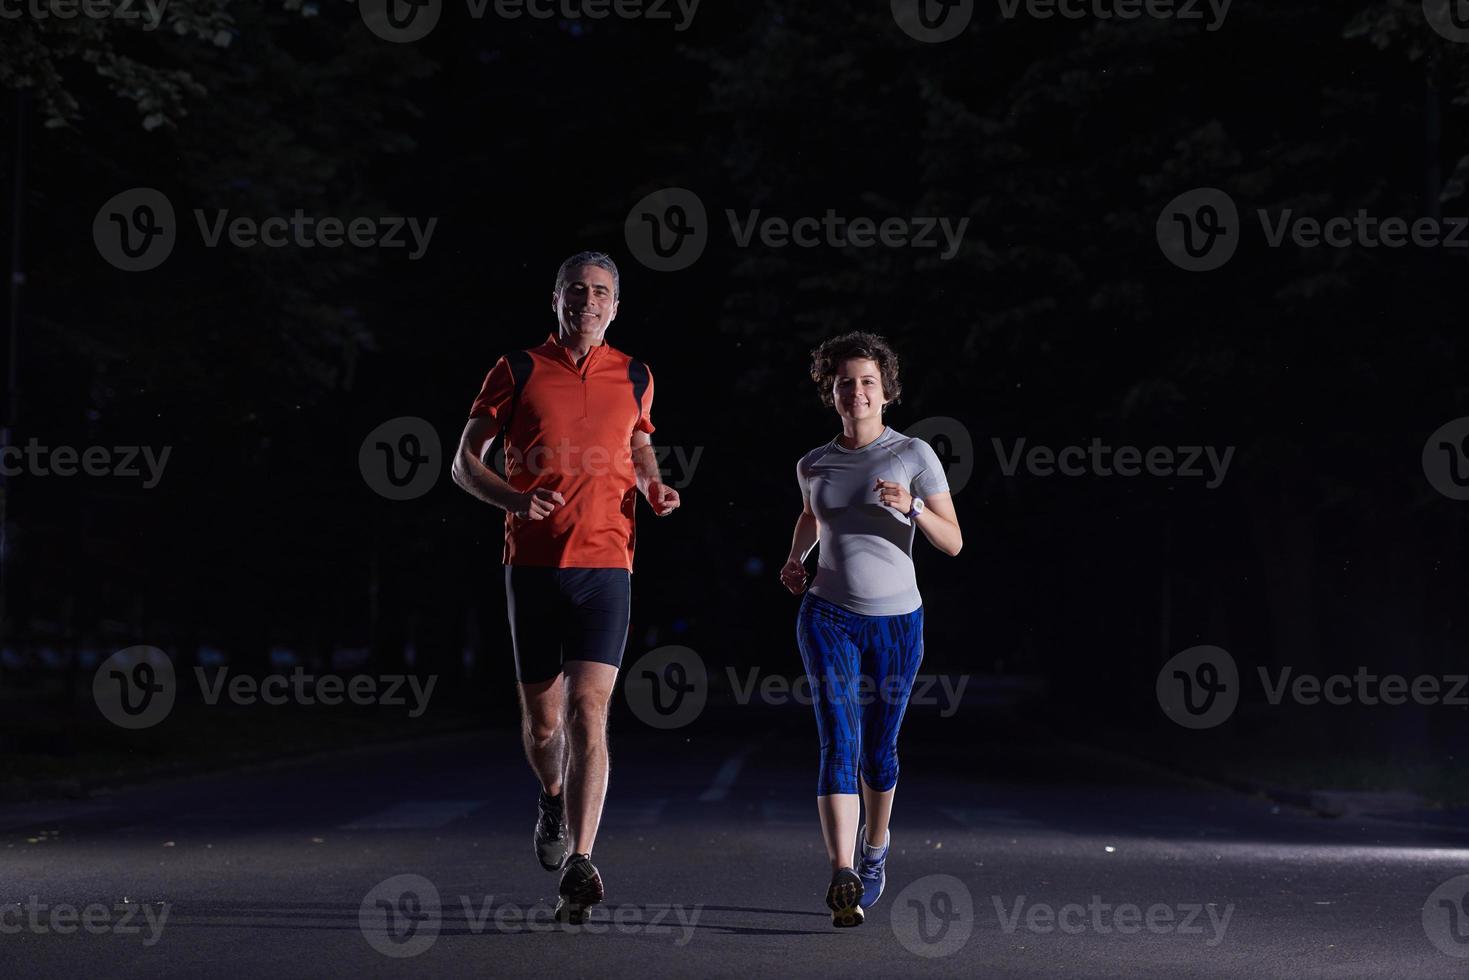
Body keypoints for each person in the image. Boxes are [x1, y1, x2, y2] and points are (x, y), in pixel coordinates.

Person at [450, 250, 680, 924]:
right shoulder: (516, 369)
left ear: (615, 305)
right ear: (556, 300)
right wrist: (514, 501)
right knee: (543, 721)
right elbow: (464, 464)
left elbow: (637, 444)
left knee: (589, 710)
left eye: (601, 292)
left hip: (609, 563)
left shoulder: (636, 374)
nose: (588, 301)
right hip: (532, 566)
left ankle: (580, 861)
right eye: (576, 290)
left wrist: (652, 483)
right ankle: (551, 795)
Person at [779, 331, 963, 928]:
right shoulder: (813, 462)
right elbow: (811, 514)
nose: (856, 392)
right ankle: (842, 873)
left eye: (867, 382)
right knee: (839, 739)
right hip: (827, 614)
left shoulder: (913, 455)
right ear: (830, 393)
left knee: (879, 751)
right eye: (844, 384)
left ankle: (874, 849)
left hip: (897, 622)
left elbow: (953, 542)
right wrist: (795, 559)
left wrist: (911, 506)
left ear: (886, 392)